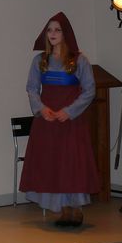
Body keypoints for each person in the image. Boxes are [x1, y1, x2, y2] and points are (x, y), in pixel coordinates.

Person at [19, 12, 100, 227]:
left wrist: (69, 111)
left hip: (70, 122)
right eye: (49, 30)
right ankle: (63, 210)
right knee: (53, 164)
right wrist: (42, 109)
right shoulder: (40, 60)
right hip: (47, 122)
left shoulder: (79, 60)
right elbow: (32, 88)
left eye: (57, 30)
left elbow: (89, 90)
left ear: (66, 34)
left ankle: (76, 209)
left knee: (71, 163)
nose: (53, 34)